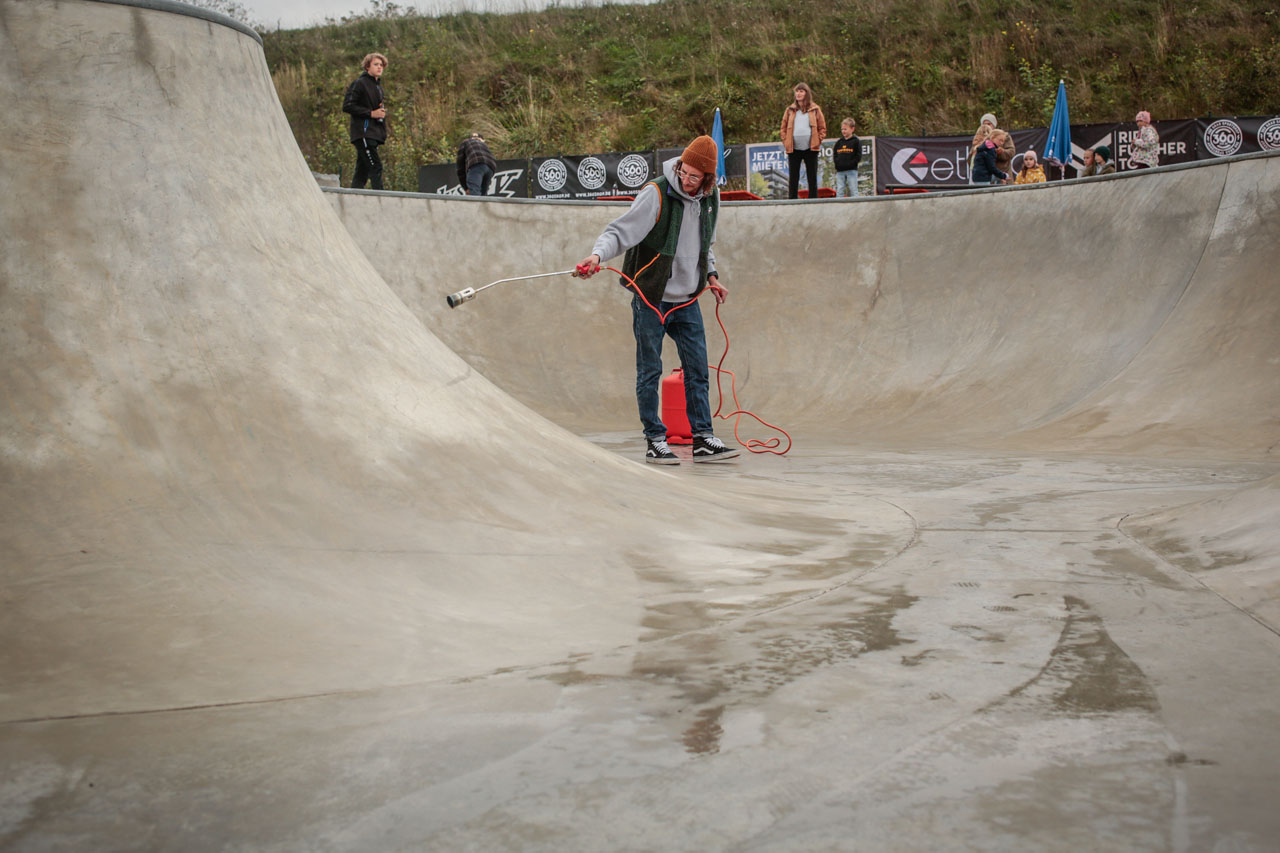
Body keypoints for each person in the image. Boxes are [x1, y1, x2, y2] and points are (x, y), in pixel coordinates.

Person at [573, 136, 739, 464]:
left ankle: (703, 437)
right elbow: (620, 232)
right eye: (684, 171)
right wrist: (596, 255)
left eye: (695, 177)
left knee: (697, 369)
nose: (686, 180)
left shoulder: (710, 199)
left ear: (708, 179)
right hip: (652, 296)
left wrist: (712, 277)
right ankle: (654, 439)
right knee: (650, 370)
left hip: (687, 299)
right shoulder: (657, 193)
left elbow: (706, 244)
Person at [342, 52, 389, 190]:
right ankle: (381, 200)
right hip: (363, 133)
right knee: (376, 166)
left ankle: (354, 197)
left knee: (362, 172)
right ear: (367, 66)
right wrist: (370, 113)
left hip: (374, 133)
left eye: (381, 65)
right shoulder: (359, 83)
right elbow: (348, 105)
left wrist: (380, 115)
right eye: (376, 64)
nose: (379, 67)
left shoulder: (378, 87)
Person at [780, 83, 827, 199]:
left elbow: (822, 128)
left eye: (801, 91)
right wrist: (786, 141)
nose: (798, 93)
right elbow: (783, 128)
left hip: (811, 148)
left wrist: (818, 140)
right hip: (793, 148)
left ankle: (813, 201)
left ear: (807, 93)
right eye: (797, 91)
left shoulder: (815, 109)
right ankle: (792, 201)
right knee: (793, 177)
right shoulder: (790, 110)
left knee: (812, 177)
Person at [831, 118, 861, 198]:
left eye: (845, 129)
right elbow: (835, 155)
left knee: (853, 189)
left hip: (851, 170)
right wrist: (838, 164)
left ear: (852, 129)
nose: (843, 131)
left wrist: (851, 164)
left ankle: (856, 206)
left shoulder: (856, 141)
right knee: (840, 190)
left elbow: (858, 156)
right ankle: (839, 207)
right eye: (842, 129)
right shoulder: (839, 142)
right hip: (840, 171)